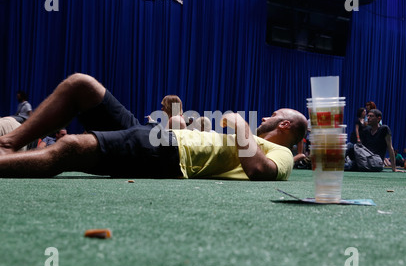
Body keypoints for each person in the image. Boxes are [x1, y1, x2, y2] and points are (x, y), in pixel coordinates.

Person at [0, 73, 308, 180]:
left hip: (171, 152)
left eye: (273, 114)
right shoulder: (251, 139)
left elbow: (258, 171)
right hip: (161, 136)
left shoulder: (279, 153)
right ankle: (9, 144)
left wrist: (240, 124)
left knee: (69, 147)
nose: (265, 115)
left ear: (283, 125)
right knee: (81, 85)